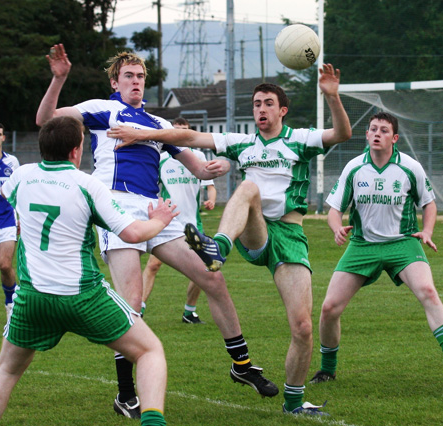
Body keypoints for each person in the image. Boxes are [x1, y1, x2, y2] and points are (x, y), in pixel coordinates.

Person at [36, 44, 278, 418]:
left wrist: (222, 166)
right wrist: (59, 78)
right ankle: (125, 394)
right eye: (129, 76)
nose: (136, 82)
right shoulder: (103, 109)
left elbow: (199, 169)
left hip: (155, 212)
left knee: (213, 280)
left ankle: (242, 366)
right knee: (131, 303)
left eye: (141, 77)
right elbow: (46, 119)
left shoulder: (161, 125)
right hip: (116, 208)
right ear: (115, 83)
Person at [108, 63, 352, 416]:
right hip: (254, 230)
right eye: (256, 104)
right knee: (249, 187)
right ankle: (217, 247)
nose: (261, 110)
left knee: (302, 327)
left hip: (290, 237)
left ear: (282, 110)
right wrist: (145, 133)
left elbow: (341, 134)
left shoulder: (300, 138)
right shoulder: (242, 143)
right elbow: (188, 138)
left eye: (268, 103)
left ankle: (295, 403)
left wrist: (332, 97)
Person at [0, 116, 178, 426]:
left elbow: (11, 200)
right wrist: (160, 220)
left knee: (6, 370)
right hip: (83, 297)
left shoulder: (21, 176)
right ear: (77, 150)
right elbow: (131, 233)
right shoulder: (88, 184)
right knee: (149, 352)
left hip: (32, 297)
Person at [309, 111, 443, 385]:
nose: (377, 133)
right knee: (329, 308)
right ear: (367, 135)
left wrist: (427, 231)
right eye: (373, 129)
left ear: (394, 138)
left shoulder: (409, 167)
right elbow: (334, 210)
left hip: (402, 243)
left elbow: (429, 203)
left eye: (383, 130)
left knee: (429, 293)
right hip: (362, 245)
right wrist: (336, 228)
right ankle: (327, 369)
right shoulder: (355, 167)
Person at [142, 117, 216, 324]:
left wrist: (211, 200)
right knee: (154, 265)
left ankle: (189, 312)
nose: (180, 134)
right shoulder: (161, 158)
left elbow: (210, 185)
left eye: (184, 130)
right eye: (176, 130)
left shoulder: (198, 156)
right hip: (169, 222)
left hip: (193, 223)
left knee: (207, 266)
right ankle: (138, 309)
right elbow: (151, 188)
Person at [0, 121, 19, 320]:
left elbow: (18, 192)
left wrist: (21, 218)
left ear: (3, 138)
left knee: (4, 265)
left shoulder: (12, 163)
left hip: (7, 221)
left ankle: (11, 302)